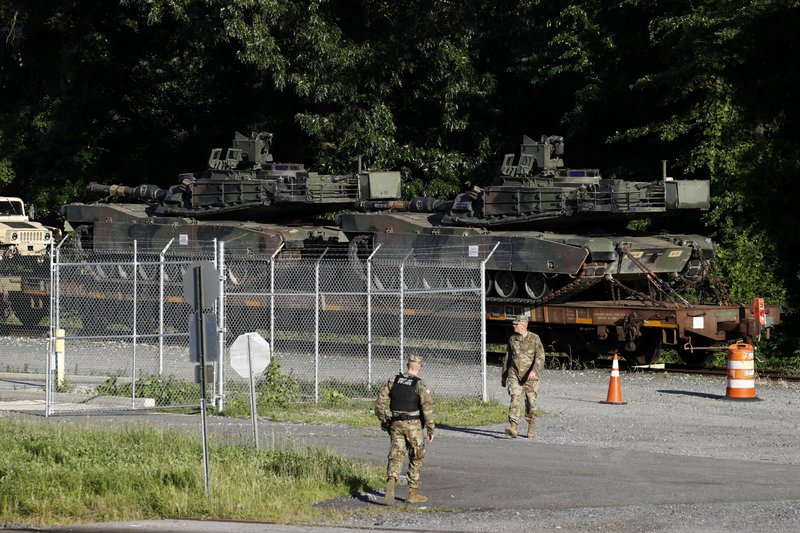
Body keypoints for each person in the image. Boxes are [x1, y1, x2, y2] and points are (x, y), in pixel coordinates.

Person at [374, 354, 435, 505]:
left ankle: (391, 480)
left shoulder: (394, 380)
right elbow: (427, 408)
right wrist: (430, 429)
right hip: (413, 425)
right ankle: (412, 493)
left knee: (396, 455)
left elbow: (379, 403)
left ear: (407, 365)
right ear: (419, 368)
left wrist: (383, 420)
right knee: (416, 456)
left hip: (395, 424)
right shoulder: (420, 384)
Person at [501, 315, 545, 438]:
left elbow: (540, 357)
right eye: (514, 323)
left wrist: (535, 371)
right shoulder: (512, 338)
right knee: (515, 397)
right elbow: (508, 358)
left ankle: (531, 426)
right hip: (514, 373)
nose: (514, 326)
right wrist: (504, 376)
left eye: (516, 324)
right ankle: (513, 426)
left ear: (524, 325)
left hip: (530, 375)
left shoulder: (535, 338)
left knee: (530, 402)